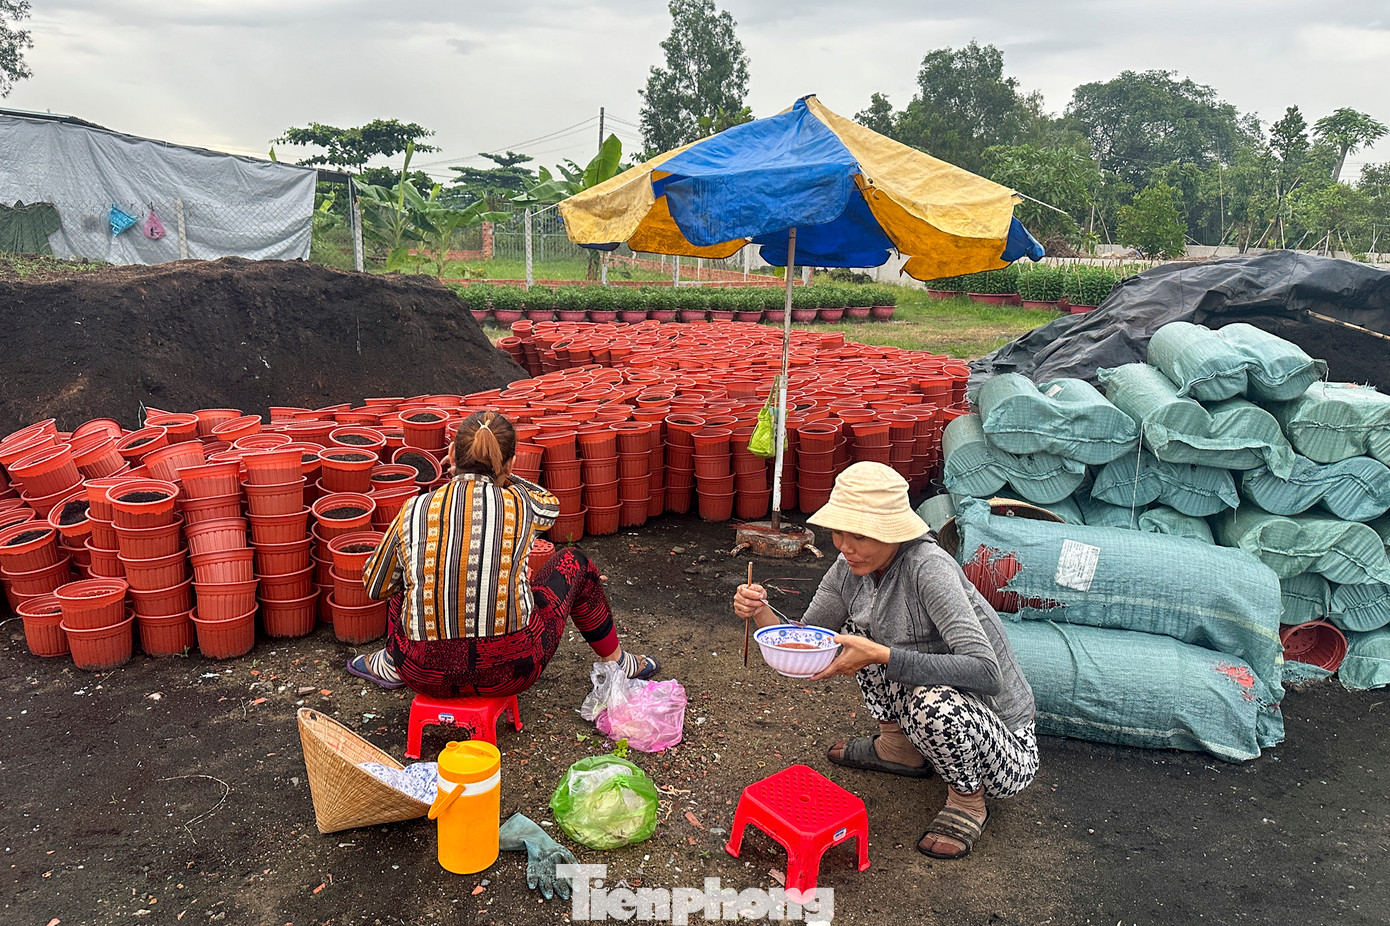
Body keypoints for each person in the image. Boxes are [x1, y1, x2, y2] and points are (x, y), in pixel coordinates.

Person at [732, 461, 1037, 859]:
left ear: (893, 531)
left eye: (859, 535)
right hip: (924, 702)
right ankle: (899, 747)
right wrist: (760, 613)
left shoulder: (929, 568)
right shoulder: (849, 568)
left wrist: (882, 655)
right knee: (853, 634)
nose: (845, 546)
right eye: (839, 532)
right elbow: (808, 637)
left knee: (929, 700)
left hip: (1001, 743)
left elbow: (987, 672)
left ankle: (967, 800)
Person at [347, 409, 659, 696]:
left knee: (404, 572)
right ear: (510, 463)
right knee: (574, 561)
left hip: (424, 672)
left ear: (452, 453)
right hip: (512, 670)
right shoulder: (521, 505)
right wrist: (504, 474)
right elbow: (550, 505)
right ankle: (618, 661)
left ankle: (391, 663)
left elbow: (375, 586)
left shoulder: (413, 509)